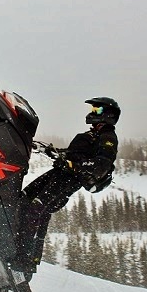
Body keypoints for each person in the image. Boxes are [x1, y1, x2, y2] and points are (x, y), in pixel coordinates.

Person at [9, 97, 120, 274]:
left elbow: (101, 166)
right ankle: (12, 244)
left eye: (97, 110)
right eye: (93, 109)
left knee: (36, 209)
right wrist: (55, 153)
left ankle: (25, 260)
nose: (93, 113)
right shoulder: (93, 135)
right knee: (23, 199)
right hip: (59, 174)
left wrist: (73, 165)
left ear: (109, 114)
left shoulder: (108, 137)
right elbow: (76, 154)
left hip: (69, 180)